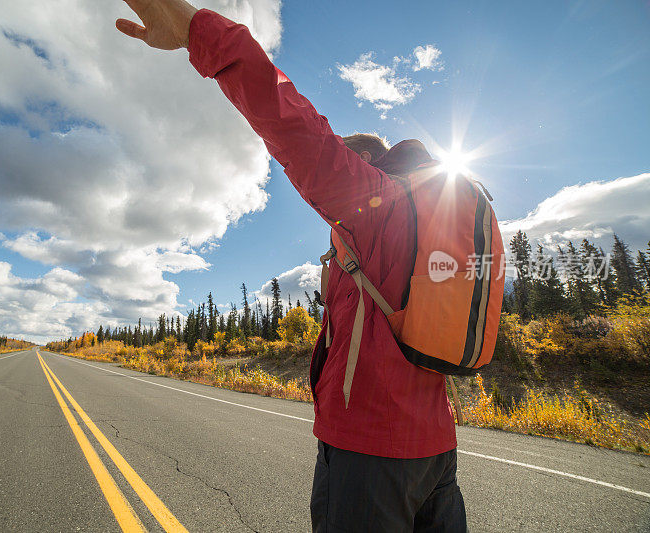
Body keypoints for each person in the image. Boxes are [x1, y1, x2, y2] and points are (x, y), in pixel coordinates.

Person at [116, 1, 468, 531]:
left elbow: (290, 120)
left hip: (370, 451)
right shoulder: (430, 220)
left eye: (346, 158)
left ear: (365, 165)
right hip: (437, 447)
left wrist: (196, 31)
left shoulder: (374, 206)